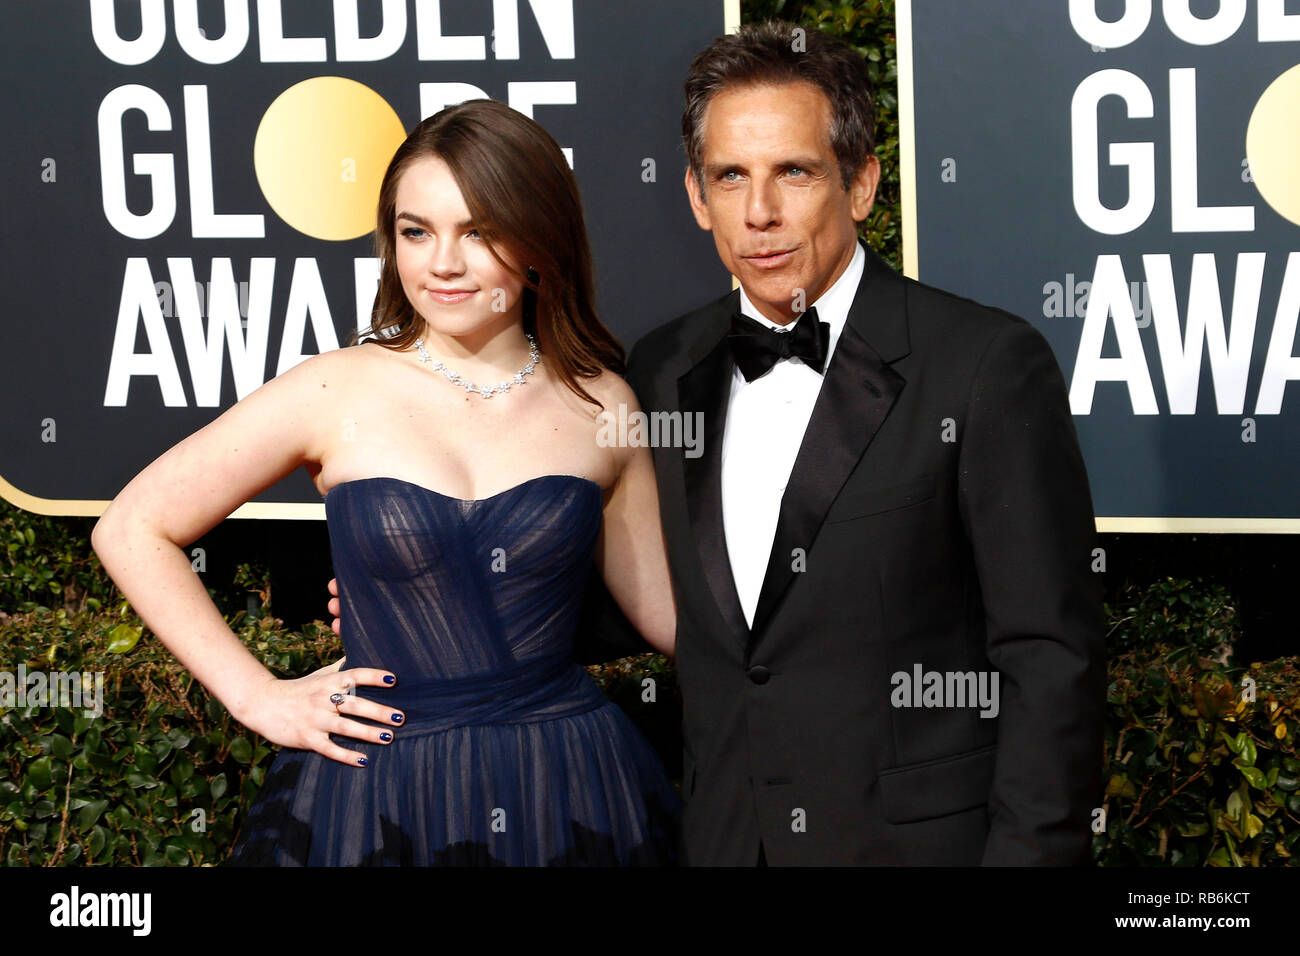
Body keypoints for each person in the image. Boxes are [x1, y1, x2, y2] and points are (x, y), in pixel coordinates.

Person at [331, 22, 1106, 866]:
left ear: (861, 184)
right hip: (720, 841)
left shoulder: (983, 365)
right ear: (697, 197)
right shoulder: (661, 368)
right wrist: (438, 591)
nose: (759, 213)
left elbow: (1049, 655)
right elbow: (643, 604)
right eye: (730, 176)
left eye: (794, 172)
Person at [91, 98, 681, 866]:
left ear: (541, 234)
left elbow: (669, 618)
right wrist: (256, 696)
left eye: (479, 231)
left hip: (568, 780)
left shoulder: (603, 404)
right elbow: (133, 527)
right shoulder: (333, 388)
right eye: (416, 231)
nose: (443, 263)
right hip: (377, 787)